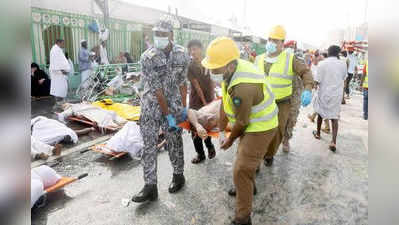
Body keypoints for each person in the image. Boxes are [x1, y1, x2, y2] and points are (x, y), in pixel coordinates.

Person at [202, 37, 278, 225]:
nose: (212, 72)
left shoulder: (243, 86)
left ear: (228, 66)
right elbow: (225, 104)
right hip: (251, 122)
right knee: (243, 159)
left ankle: (243, 218)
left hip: (262, 126)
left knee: (241, 169)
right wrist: (220, 131)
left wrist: (228, 140)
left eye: (215, 68)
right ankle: (247, 186)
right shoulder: (233, 70)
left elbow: (242, 121)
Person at [131, 18, 189, 203]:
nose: (159, 37)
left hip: (174, 105)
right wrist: (169, 117)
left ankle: (178, 175)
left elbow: (182, 83)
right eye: (157, 34)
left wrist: (183, 112)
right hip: (152, 106)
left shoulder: (182, 54)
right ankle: (150, 186)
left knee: (175, 141)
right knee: (149, 145)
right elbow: (157, 90)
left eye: (163, 34)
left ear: (171, 35)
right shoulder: (147, 57)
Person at [254, 25, 314, 166]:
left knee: (278, 131)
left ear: (282, 43)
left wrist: (308, 88)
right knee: (257, 130)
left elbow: (306, 72)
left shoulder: (290, 58)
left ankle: (269, 154)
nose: (272, 43)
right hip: (260, 103)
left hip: (282, 103)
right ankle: (256, 158)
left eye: (276, 41)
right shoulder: (258, 59)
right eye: (270, 40)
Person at [312, 45, 347, 152]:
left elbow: (317, 80)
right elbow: (343, 78)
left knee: (320, 113)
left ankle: (318, 134)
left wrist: (313, 89)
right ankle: (333, 142)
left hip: (324, 93)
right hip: (336, 94)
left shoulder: (322, 64)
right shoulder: (343, 64)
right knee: (334, 117)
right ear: (338, 53)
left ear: (329, 52)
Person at [187, 39, 216, 164]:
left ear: (201, 49)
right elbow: (196, 86)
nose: (192, 52)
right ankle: (200, 154)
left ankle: (210, 147)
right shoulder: (190, 66)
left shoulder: (207, 62)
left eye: (195, 49)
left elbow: (211, 81)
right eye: (191, 49)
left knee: (207, 124)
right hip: (196, 101)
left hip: (208, 99)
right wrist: (204, 102)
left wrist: (212, 98)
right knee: (194, 128)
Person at [49, 39, 71, 109]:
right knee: (59, 89)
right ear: (59, 42)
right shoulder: (56, 50)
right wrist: (62, 71)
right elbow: (56, 63)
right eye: (63, 43)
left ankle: (60, 103)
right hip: (58, 73)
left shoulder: (56, 49)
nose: (63, 44)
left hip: (59, 73)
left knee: (59, 89)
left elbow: (60, 61)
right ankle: (58, 104)